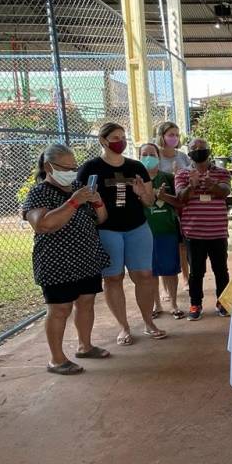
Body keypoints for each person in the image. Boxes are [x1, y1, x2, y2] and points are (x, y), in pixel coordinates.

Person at [23, 144, 111, 374]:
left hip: (86, 259)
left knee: (86, 302)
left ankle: (85, 346)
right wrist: (73, 202)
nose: (72, 172)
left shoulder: (78, 188)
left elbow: (101, 219)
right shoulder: (39, 192)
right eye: (66, 167)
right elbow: (42, 224)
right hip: (57, 263)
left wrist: (97, 201)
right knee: (60, 308)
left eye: (74, 167)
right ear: (48, 167)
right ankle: (57, 359)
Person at [78, 123, 164, 345]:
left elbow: (150, 201)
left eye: (123, 137)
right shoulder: (90, 168)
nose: (121, 141)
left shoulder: (136, 166)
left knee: (144, 276)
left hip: (137, 227)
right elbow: (83, 199)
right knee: (113, 277)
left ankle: (148, 322)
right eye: (116, 137)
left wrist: (141, 192)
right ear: (103, 141)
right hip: (107, 230)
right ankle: (124, 327)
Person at [175, 138, 232, 321]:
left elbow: (225, 192)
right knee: (196, 272)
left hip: (217, 231)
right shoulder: (182, 174)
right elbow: (180, 198)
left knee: (221, 270)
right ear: (189, 151)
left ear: (209, 150)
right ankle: (195, 303)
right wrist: (191, 186)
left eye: (202, 148)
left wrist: (212, 185)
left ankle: (223, 302)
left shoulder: (221, 172)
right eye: (194, 148)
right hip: (194, 232)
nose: (198, 150)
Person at [138, 143, 185, 321]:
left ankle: (173, 304)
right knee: (149, 272)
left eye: (152, 154)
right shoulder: (135, 180)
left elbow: (180, 202)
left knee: (170, 270)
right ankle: (156, 305)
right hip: (144, 233)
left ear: (158, 156)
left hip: (167, 230)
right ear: (139, 157)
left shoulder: (169, 178)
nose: (148, 157)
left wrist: (163, 196)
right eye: (144, 154)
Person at [156, 121, 191, 290]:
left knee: (182, 245)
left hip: (181, 204)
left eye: (176, 135)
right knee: (165, 245)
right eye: (170, 135)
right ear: (162, 136)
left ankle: (186, 279)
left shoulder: (182, 156)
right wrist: (173, 175)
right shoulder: (156, 156)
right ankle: (167, 287)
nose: (174, 138)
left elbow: (190, 174)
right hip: (162, 205)